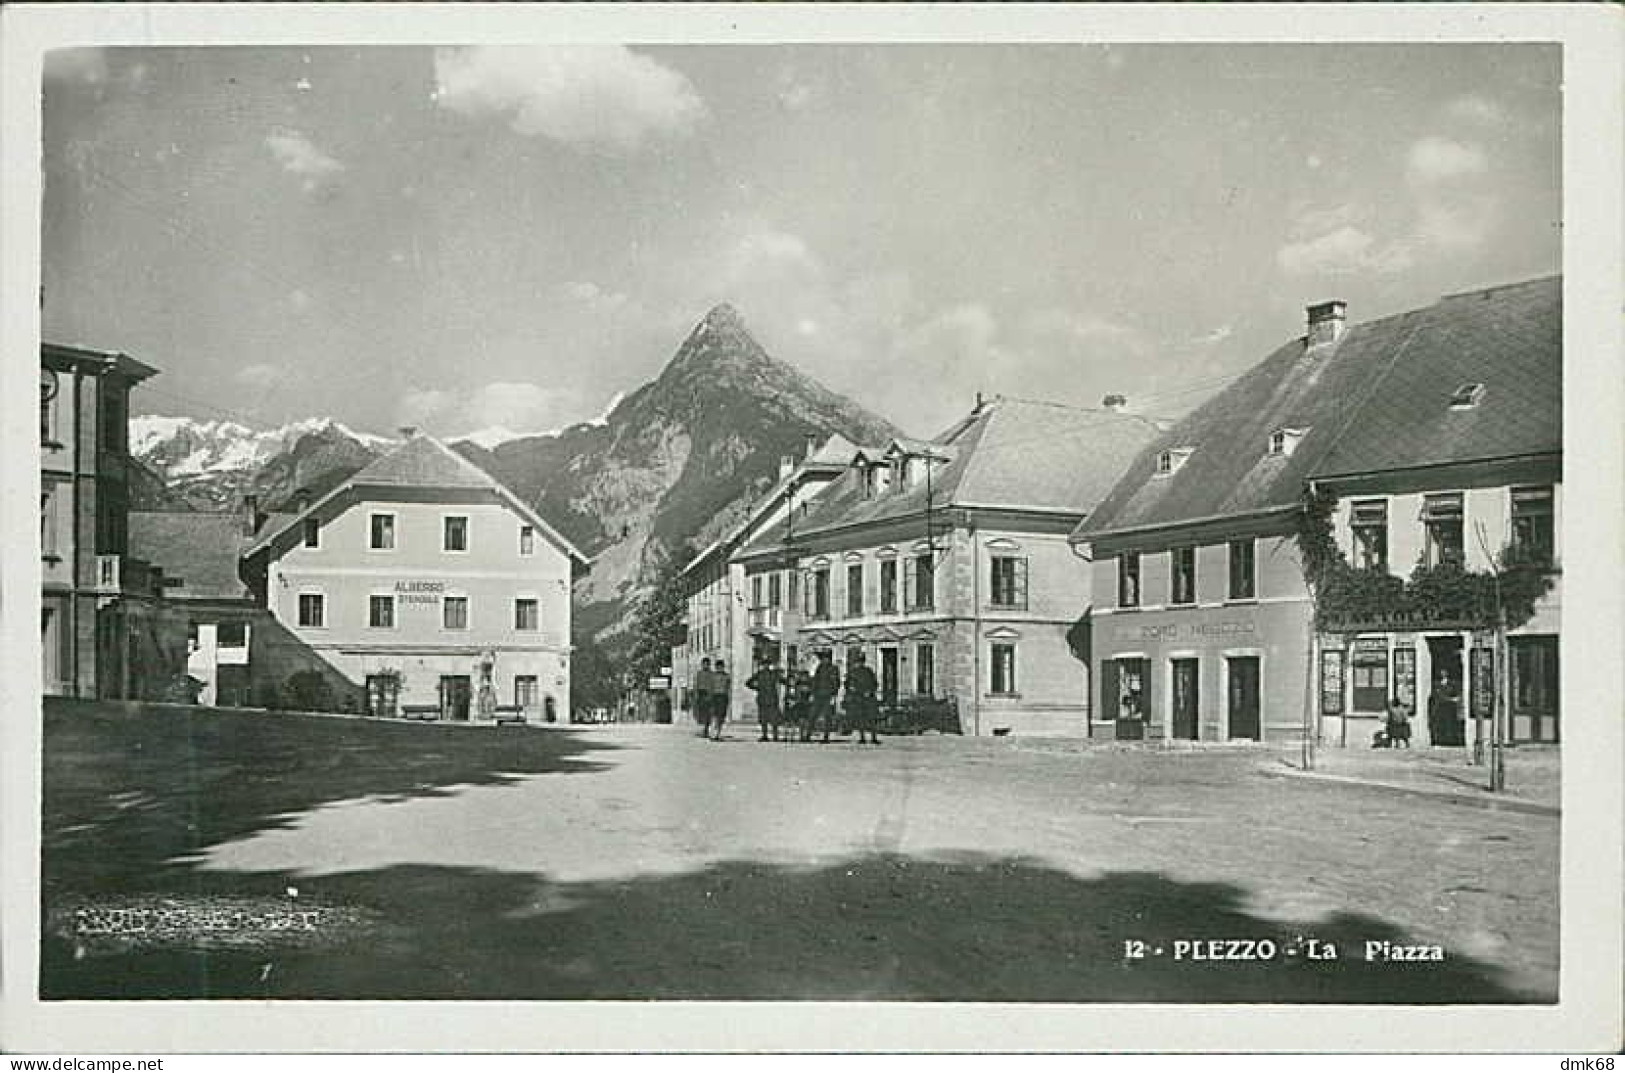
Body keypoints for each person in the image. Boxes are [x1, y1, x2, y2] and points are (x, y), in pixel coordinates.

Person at [844, 650, 882, 745]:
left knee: (872, 718)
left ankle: (873, 737)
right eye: (858, 661)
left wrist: (870, 691)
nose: (859, 663)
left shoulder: (868, 671)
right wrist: (851, 690)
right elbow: (847, 684)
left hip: (868, 698)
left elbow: (875, 683)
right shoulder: (852, 672)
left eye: (861, 661)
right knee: (860, 718)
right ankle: (862, 738)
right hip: (858, 698)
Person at [746, 658, 785, 742]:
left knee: (774, 718)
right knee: (764, 718)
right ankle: (765, 735)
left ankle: (775, 736)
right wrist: (757, 688)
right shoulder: (759, 674)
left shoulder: (773, 674)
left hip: (772, 699)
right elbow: (748, 683)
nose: (766, 666)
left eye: (767, 664)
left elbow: (783, 681)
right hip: (763, 698)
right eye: (764, 664)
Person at [811, 650, 842, 744]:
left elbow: (836, 682)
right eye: (823, 659)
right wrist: (813, 693)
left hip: (828, 695)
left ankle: (826, 736)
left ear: (829, 659)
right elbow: (815, 681)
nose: (824, 660)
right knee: (813, 714)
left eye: (825, 658)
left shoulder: (834, 668)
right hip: (818, 695)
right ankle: (808, 735)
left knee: (827, 716)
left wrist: (834, 694)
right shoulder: (819, 668)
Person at [708, 660, 732, 741]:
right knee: (714, 715)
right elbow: (710, 687)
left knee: (721, 716)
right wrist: (710, 697)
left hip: (723, 697)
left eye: (721, 667)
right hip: (715, 696)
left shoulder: (727, 676)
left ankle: (718, 734)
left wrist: (728, 698)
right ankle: (712, 733)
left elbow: (728, 688)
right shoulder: (712, 676)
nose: (720, 669)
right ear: (716, 667)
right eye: (718, 667)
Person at [691, 658, 714, 738]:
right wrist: (696, 694)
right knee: (700, 713)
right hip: (700, 694)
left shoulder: (712, 674)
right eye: (704, 664)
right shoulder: (699, 674)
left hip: (708, 694)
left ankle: (706, 730)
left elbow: (712, 685)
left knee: (707, 714)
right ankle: (703, 729)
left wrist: (710, 695)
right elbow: (696, 684)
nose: (705, 665)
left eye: (707, 664)